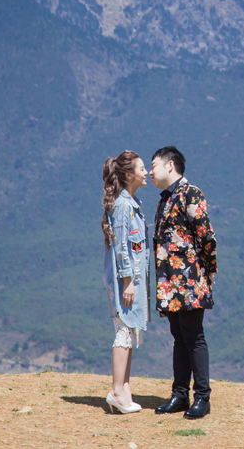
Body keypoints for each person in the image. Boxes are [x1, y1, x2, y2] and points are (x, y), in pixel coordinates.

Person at [149, 145, 217, 420]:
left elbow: (206, 236)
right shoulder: (165, 199)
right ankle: (179, 395)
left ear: (170, 165)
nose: (150, 172)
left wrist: (206, 272)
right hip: (169, 283)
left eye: (153, 165)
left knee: (194, 337)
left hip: (189, 281)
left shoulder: (191, 193)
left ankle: (202, 397)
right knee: (179, 337)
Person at [100, 150, 152, 414]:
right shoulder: (123, 206)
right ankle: (117, 391)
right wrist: (128, 281)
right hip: (125, 281)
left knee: (129, 331)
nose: (147, 172)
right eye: (142, 168)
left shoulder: (132, 203)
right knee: (123, 330)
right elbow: (122, 248)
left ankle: (124, 388)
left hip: (132, 279)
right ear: (129, 175)